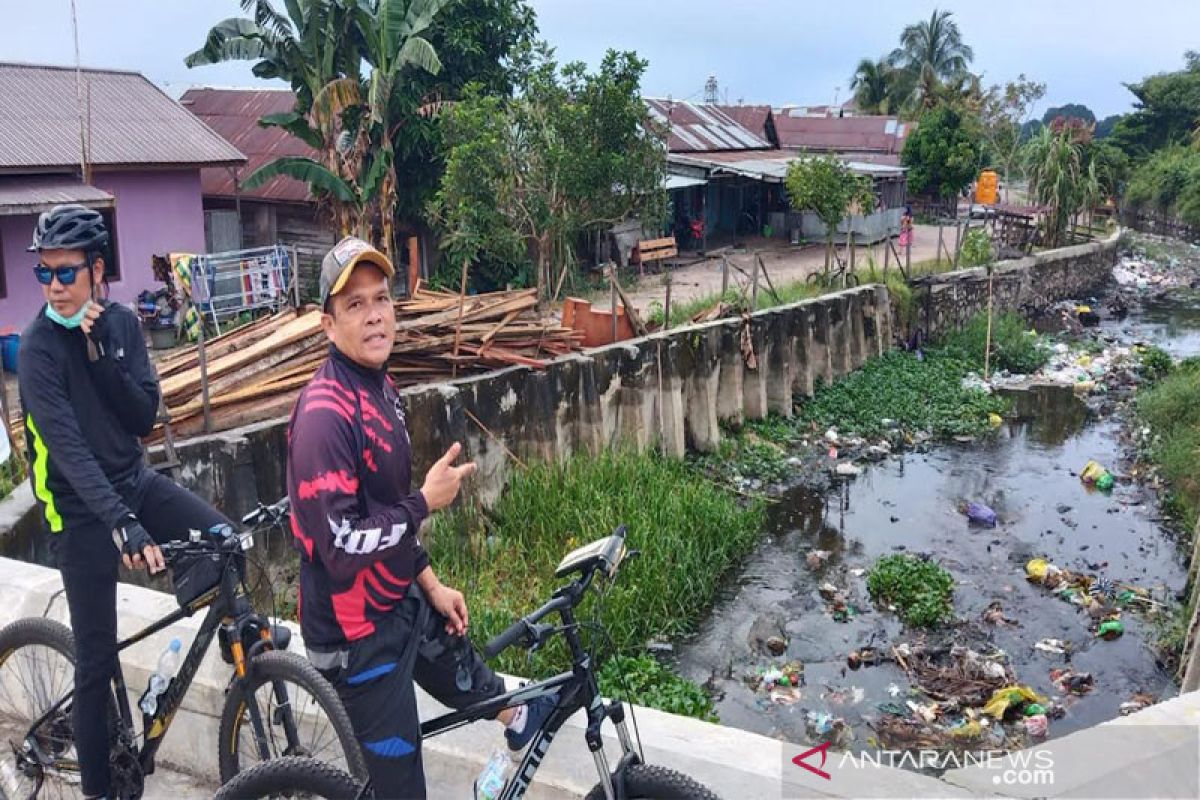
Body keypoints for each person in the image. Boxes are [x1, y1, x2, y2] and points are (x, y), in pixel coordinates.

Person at [287, 237, 555, 799]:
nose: (374, 315)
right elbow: (338, 546)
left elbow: (385, 507)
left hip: (392, 595)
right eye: (354, 304)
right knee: (402, 788)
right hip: (353, 632)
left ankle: (517, 719)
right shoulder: (323, 417)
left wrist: (430, 581)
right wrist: (424, 504)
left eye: (380, 299)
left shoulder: (381, 389)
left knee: (455, 652)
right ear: (328, 325)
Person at [17, 205, 235, 800]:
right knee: (95, 659)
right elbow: (69, 454)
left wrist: (99, 353)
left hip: (133, 483)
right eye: (45, 274)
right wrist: (125, 528)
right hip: (80, 509)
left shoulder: (118, 326)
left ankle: (249, 666)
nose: (55, 287)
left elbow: (140, 416)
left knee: (227, 544)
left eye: (67, 274)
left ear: (96, 270)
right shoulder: (35, 351)